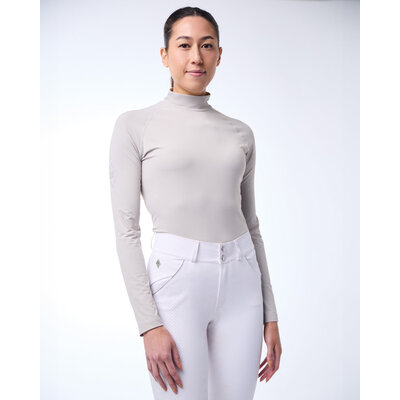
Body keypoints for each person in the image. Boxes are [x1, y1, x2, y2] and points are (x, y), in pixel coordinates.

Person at [109, 6, 282, 400]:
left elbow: (251, 224)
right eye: (184, 45)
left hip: (242, 282)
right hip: (176, 282)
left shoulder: (240, 133)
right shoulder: (135, 126)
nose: (196, 57)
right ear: (165, 55)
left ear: (219, 54)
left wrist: (270, 314)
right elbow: (126, 231)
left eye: (206, 46)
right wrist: (149, 325)